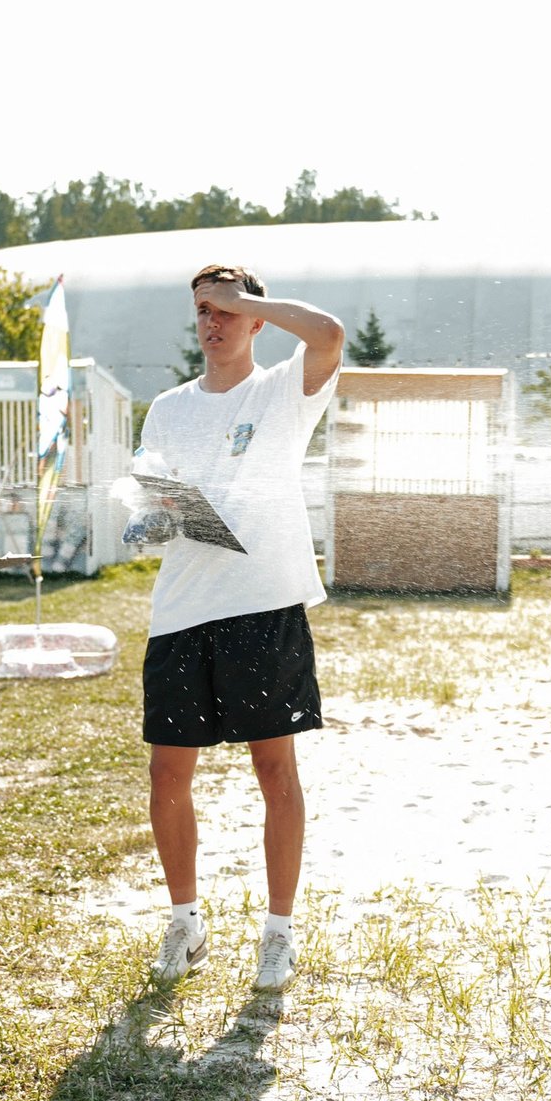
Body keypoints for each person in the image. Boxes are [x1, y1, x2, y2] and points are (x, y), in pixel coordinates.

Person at [129, 265, 343, 993]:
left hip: (263, 608)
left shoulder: (282, 390)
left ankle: (277, 934)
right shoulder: (165, 409)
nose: (212, 321)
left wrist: (249, 299)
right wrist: (151, 517)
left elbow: (330, 334)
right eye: (201, 310)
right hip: (182, 612)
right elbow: (152, 507)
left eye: (225, 309)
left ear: (253, 318)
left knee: (274, 769)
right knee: (167, 776)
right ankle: (185, 922)